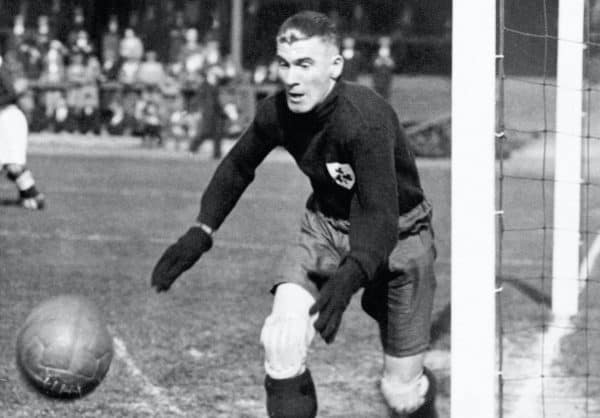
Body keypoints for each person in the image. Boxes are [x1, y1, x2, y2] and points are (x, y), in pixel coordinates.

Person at [151, 11, 437, 418]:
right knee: (282, 341)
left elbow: (379, 214)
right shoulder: (277, 112)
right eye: (285, 64)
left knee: (400, 395)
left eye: (305, 64)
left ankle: (424, 394)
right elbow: (238, 165)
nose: (291, 78)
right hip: (324, 227)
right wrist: (201, 229)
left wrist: (351, 274)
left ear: (335, 66)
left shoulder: (365, 118)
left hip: (400, 235)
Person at [0, 57, 45, 210]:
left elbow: (11, 93)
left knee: (13, 166)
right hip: (5, 119)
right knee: (10, 166)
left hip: (8, 119)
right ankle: (30, 197)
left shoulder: (1, 71)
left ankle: (33, 197)